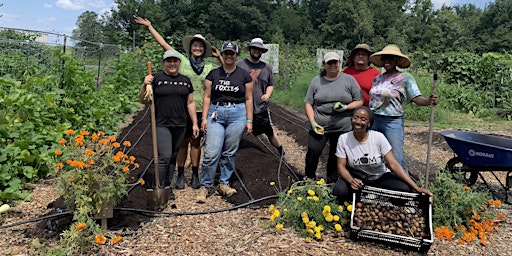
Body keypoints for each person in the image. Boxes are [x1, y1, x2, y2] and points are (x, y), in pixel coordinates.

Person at [135, 17, 223, 190]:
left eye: (200, 46)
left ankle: (195, 174)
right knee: (182, 144)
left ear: (204, 50)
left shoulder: (209, 67)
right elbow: (164, 45)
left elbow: (226, 70)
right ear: (190, 48)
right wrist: (150, 27)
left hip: (200, 110)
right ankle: (180, 174)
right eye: (194, 45)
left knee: (196, 143)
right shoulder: (181, 61)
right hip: (181, 110)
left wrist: (219, 56)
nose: (197, 48)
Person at [332, 106, 433, 202]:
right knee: (339, 191)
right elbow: (341, 167)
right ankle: (354, 202)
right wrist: (351, 180)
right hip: (357, 178)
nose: (358, 122)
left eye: (363, 119)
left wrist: (416, 187)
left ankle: (373, 195)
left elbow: (393, 164)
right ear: (351, 120)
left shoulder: (378, 138)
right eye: (355, 118)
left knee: (404, 189)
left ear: (369, 123)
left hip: (379, 176)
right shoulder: (344, 139)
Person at [196, 41, 253, 203]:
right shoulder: (213, 74)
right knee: (211, 152)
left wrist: (249, 120)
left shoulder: (244, 75)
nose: (229, 56)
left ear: (236, 55)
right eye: (226, 53)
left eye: (232, 53)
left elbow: (249, 99)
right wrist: (204, 118)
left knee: (229, 152)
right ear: (222, 54)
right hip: (216, 113)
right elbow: (207, 97)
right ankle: (205, 185)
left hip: (238, 114)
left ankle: (224, 183)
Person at [368, 44, 439, 173]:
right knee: (373, 154)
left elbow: (416, 98)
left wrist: (428, 101)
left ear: (396, 61)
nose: (387, 61)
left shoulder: (405, 78)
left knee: (395, 157)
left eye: (391, 58)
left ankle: (404, 187)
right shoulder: (377, 78)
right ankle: (379, 182)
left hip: (392, 121)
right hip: (374, 120)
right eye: (384, 58)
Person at [139, 49, 199, 200]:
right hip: (161, 123)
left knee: (173, 156)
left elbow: (190, 103)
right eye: (168, 61)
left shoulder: (185, 80)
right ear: (164, 63)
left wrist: (195, 123)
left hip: (180, 124)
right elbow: (143, 100)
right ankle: (157, 186)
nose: (172, 64)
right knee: (164, 155)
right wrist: (144, 85)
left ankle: (167, 187)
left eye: (175, 61)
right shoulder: (156, 79)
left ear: (179, 63)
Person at [304, 52, 364, 184]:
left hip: (342, 127)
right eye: (329, 63)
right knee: (314, 151)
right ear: (324, 65)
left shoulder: (349, 80)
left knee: (336, 155)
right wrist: (313, 122)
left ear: (339, 63)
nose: (332, 65)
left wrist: (346, 107)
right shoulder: (316, 81)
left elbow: (359, 100)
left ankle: (332, 182)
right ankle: (309, 179)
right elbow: (308, 103)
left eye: (335, 62)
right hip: (320, 126)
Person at [236, 38, 284, 155]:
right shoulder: (239, 65)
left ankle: (281, 152)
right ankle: (230, 154)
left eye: (259, 49)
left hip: (260, 107)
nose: (256, 51)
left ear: (262, 51)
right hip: (241, 107)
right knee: (236, 133)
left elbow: (270, 84)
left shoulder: (266, 67)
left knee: (269, 132)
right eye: (254, 48)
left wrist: (267, 94)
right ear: (250, 50)